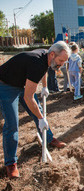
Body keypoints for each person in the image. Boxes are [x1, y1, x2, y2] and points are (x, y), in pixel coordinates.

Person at [0, 41, 70, 178]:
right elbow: (28, 98)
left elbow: (44, 70)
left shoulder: (46, 56)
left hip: (20, 83)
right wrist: (40, 118)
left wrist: (45, 86)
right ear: (52, 54)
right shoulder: (37, 63)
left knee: (37, 109)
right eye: (61, 60)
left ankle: (48, 138)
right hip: (5, 85)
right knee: (12, 124)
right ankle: (10, 164)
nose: (61, 64)